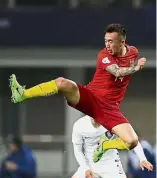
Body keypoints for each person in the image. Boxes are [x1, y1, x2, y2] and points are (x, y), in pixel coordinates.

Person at [9, 24, 146, 162]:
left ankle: (106, 144)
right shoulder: (103, 55)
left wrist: (134, 65)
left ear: (122, 42)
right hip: (90, 97)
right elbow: (117, 72)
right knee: (62, 83)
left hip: (110, 108)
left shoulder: (133, 52)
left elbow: (125, 67)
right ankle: (23, 94)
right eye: (105, 41)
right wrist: (136, 67)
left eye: (111, 41)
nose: (107, 45)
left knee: (132, 141)